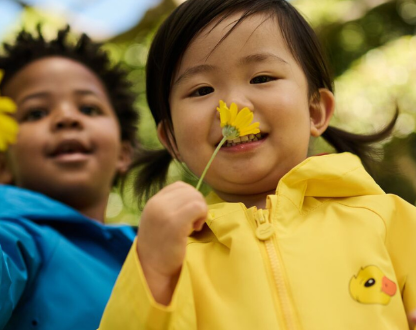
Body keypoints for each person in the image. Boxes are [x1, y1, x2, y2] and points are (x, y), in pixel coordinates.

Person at [99, 0, 416, 329]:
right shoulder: (171, 255)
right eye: (202, 89)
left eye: (262, 77)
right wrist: (152, 268)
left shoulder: (389, 220)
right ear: (172, 140)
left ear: (315, 111)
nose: (233, 104)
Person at [0, 26, 138, 330]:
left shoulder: (155, 248)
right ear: (0, 165)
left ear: (123, 153)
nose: (68, 118)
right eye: (36, 113)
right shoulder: (16, 239)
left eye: (89, 108)